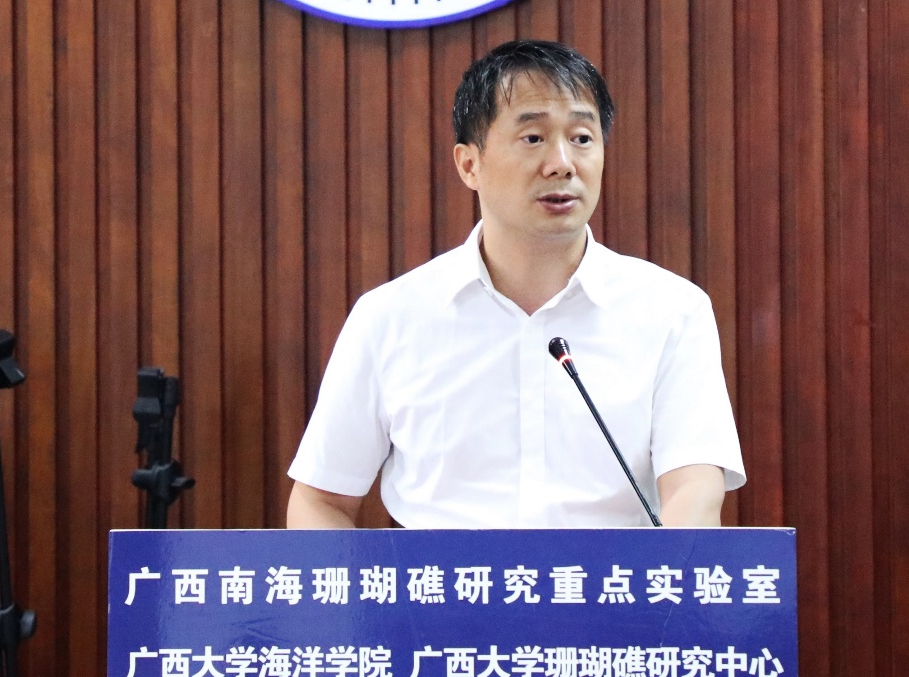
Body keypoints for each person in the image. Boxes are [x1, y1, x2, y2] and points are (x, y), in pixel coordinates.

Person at [286, 40, 744, 529]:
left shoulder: (671, 311)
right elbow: (320, 501)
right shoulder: (390, 318)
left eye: (582, 138)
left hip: (613, 580)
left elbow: (694, 491)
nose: (562, 163)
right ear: (470, 165)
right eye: (533, 138)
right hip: (448, 580)